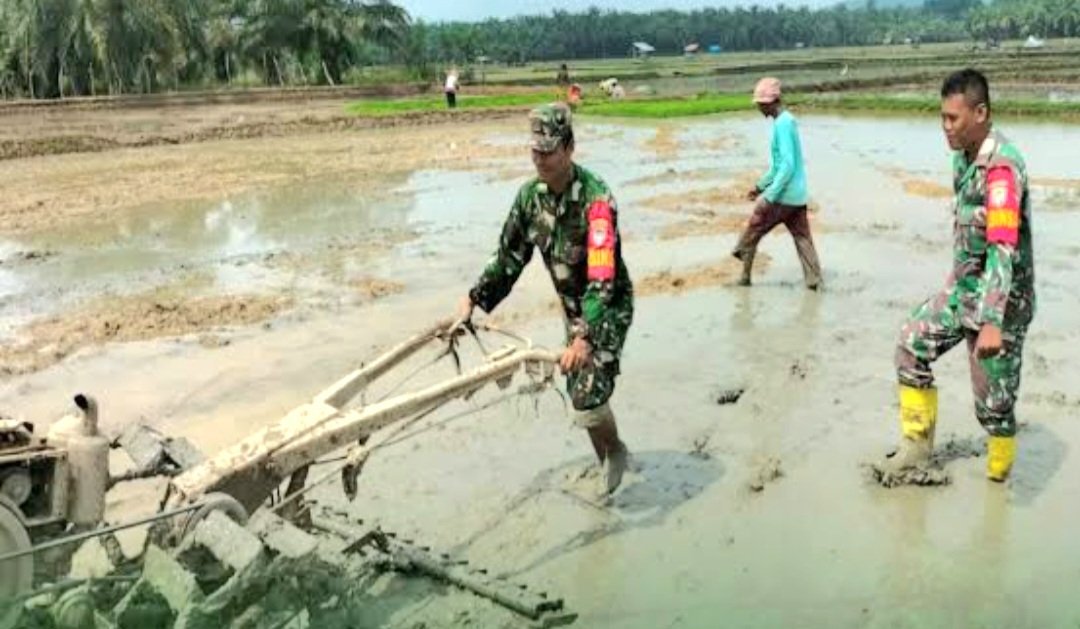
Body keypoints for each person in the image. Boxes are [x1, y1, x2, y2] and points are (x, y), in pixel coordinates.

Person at [455, 103, 634, 496]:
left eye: (548, 151)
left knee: (588, 391)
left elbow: (603, 278)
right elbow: (508, 257)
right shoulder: (529, 199)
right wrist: (472, 300)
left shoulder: (597, 202)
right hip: (573, 309)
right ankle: (607, 457)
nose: (540, 159)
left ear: (569, 148)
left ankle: (615, 450)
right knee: (577, 386)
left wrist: (584, 337)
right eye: (535, 151)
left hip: (608, 306)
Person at [882, 69, 1035, 483]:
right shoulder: (961, 159)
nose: (945, 127)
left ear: (981, 113)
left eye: (954, 118)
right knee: (911, 344)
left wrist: (991, 322)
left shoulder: (1001, 170)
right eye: (942, 117)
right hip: (963, 293)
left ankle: (998, 476)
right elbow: (968, 234)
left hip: (1001, 306)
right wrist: (954, 284)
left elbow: (1002, 246)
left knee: (992, 407)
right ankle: (915, 449)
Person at [733, 77, 822, 289]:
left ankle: (742, 265)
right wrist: (759, 186)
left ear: (770, 102)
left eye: (760, 104)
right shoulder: (786, 121)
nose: (759, 109)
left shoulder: (782, 124)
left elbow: (787, 166)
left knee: (754, 228)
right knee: (803, 239)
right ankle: (814, 282)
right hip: (798, 196)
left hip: (784, 196)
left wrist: (770, 196)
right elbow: (777, 166)